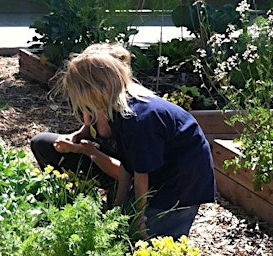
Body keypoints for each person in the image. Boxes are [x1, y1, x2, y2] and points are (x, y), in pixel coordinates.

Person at [30, 43, 216, 240]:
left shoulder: (138, 119)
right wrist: (117, 209)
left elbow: (140, 174)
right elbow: (127, 166)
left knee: (148, 243)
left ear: (94, 92)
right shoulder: (115, 108)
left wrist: (139, 219)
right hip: (151, 170)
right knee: (120, 228)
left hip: (179, 181)